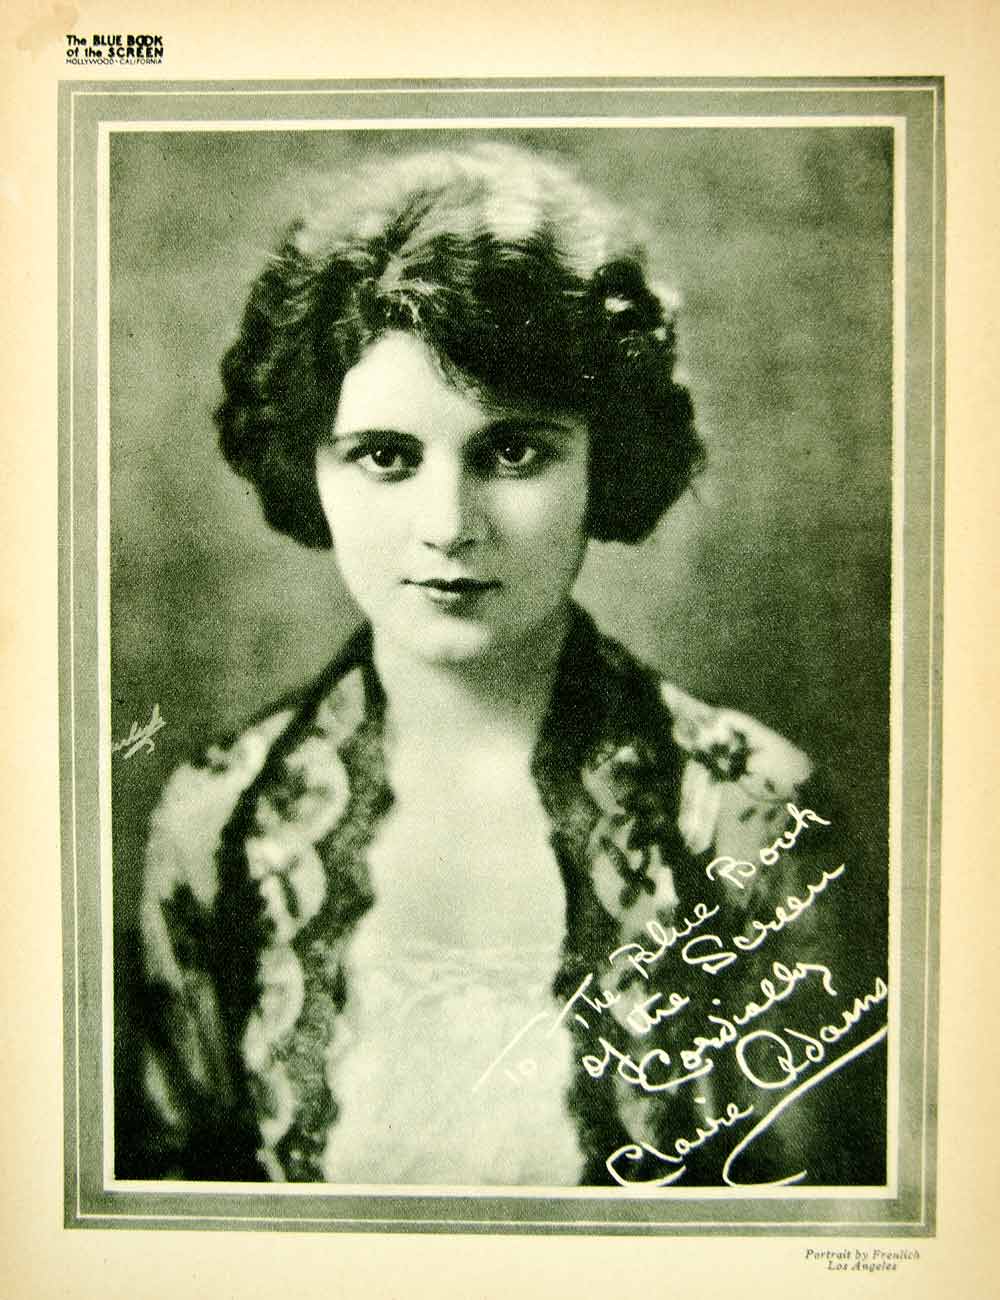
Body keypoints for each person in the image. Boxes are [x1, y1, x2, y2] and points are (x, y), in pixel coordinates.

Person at [133, 142, 887, 1188]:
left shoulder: (750, 816)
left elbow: (816, 1231)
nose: (449, 525)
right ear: (309, 464)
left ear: (602, 460)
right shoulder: (215, 826)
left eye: (514, 451)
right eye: (386, 455)